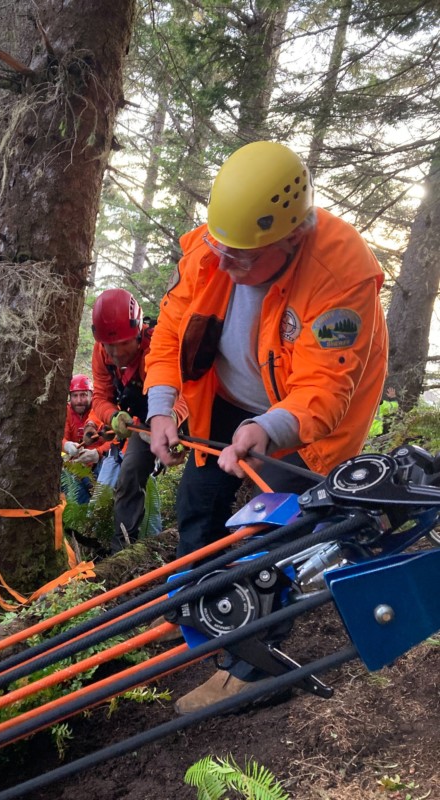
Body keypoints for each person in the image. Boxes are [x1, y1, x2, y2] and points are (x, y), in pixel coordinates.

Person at [143, 140, 389, 713]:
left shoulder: (339, 272)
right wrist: (161, 405)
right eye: (219, 247)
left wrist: (268, 430)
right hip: (225, 402)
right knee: (198, 507)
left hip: (303, 426)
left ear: (293, 236)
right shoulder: (216, 250)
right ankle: (203, 618)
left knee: (269, 540)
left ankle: (253, 668)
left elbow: (325, 391)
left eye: (242, 258)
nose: (224, 266)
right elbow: (172, 329)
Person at [90, 288, 188, 552]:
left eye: (123, 344)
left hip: (183, 413)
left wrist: (170, 418)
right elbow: (99, 396)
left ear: (138, 332)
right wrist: (113, 416)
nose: (117, 353)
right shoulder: (102, 355)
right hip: (144, 423)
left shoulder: (159, 345)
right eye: (110, 346)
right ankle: (123, 550)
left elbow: (189, 391)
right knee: (129, 473)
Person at [62, 374, 109, 504]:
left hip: (100, 464)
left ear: (91, 395)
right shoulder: (65, 412)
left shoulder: (101, 409)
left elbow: (115, 441)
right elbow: (60, 438)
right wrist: (67, 445)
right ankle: (83, 518)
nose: (79, 400)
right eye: (75, 396)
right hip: (76, 466)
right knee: (70, 486)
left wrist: (98, 453)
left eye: (83, 395)